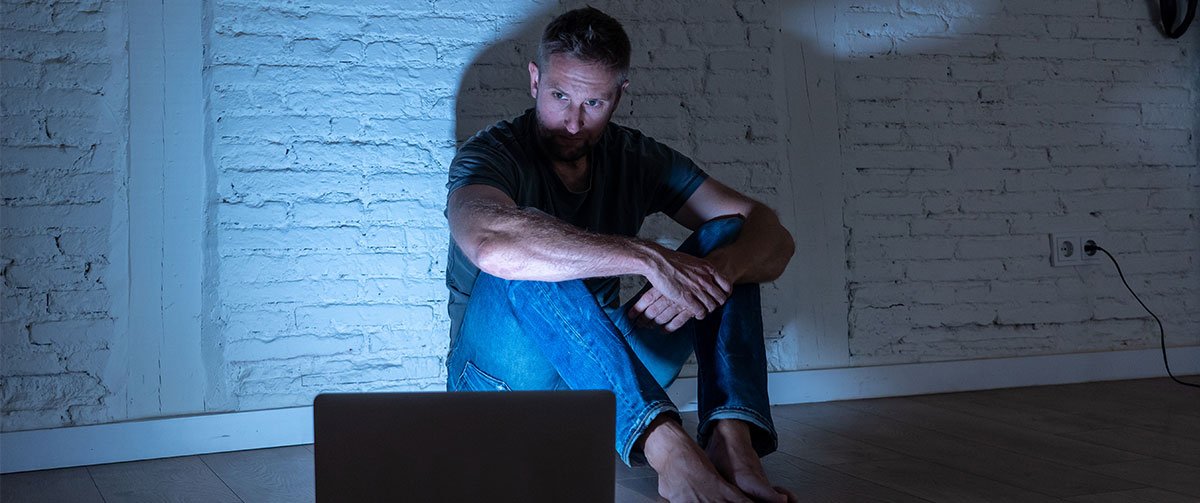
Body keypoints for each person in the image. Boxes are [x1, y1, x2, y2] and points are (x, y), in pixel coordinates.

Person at [444, 7, 797, 502]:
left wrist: (716, 271)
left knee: (726, 239)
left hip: (599, 370)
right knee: (524, 260)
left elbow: (773, 238)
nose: (572, 121)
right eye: (560, 95)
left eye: (594, 102)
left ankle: (731, 443)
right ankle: (668, 450)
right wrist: (650, 259)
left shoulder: (635, 156)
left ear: (618, 96)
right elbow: (491, 245)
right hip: (500, 384)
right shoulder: (493, 153)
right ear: (534, 80)